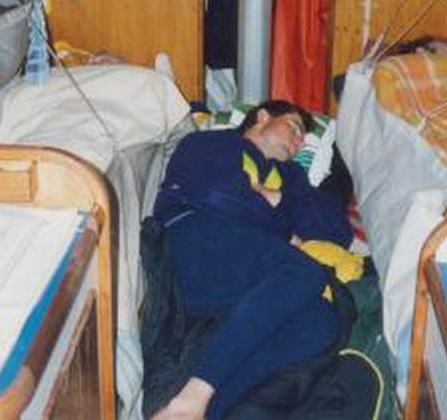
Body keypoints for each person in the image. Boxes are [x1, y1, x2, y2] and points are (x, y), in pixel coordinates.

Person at [151, 100, 353, 420]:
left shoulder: (291, 177)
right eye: (294, 128)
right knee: (303, 272)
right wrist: (285, 227)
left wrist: (278, 198)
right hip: (191, 245)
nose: (299, 142)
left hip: (245, 271)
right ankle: (192, 397)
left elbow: (336, 232)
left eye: (303, 138)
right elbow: (216, 197)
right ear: (262, 117)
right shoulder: (209, 142)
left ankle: (197, 412)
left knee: (321, 321)